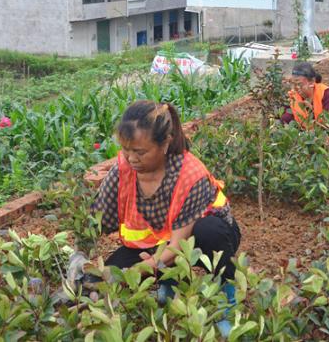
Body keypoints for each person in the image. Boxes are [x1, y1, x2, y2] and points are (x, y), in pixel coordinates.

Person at [91, 100, 241, 325]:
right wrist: (81, 255)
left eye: (140, 152)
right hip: (158, 243)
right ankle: (168, 283)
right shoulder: (124, 169)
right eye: (126, 149)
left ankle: (227, 298)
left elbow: (178, 246)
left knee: (209, 232)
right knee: (98, 278)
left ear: (165, 144)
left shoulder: (190, 174)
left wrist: (136, 271)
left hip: (199, 242)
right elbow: (96, 220)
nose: (131, 158)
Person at [281, 62, 329, 128]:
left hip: (323, 132)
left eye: (299, 84)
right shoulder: (292, 96)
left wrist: (312, 111)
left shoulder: (324, 92)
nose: (296, 88)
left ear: (312, 81)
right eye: (294, 84)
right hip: (301, 135)